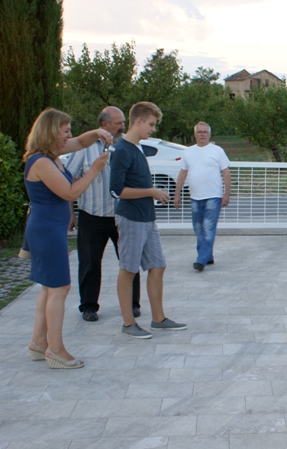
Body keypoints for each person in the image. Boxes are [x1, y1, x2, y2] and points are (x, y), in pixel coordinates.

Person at [23, 107, 113, 369]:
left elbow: (82, 142)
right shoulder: (41, 162)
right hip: (47, 231)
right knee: (59, 288)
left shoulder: (51, 154)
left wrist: (98, 132)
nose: (69, 136)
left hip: (50, 229)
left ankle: (38, 342)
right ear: (51, 132)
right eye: (65, 131)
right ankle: (56, 350)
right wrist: (94, 169)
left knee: (49, 287)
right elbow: (70, 192)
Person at [109, 101, 186, 339]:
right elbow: (117, 190)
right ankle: (128, 323)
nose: (153, 129)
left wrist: (152, 192)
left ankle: (158, 319)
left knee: (158, 265)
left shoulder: (137, 147)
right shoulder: (122, 150)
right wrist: (151, 192)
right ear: (139, 121)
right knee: (128, 269)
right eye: (151, 124)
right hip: (131, 218)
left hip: (147, 218)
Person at [64, 106, 141, 322]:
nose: (122, 126)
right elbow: (68, 181)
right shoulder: (84, 147)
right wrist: (70, 213)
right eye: (118, 123)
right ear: (104, 124)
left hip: (123, 216)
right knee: (89, 263)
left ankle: (132, 304)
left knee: (129, 262)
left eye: (123, 122)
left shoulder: (128, 145)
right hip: (92, 215)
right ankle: (88, 306)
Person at [173, 122, 231, 272]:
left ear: (209, 134)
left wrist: (226, 194)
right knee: (198, 228)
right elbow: (182, 173)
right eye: (199, 132)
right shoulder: (188, 152)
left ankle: (201, 259)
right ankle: (207, 255)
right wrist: (177, 194)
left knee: (208, 227)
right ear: (195, 134)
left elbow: (226, 173)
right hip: (195, 196)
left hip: (213, 195)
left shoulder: (217, 151)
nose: (202, 134)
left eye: (205, 132)